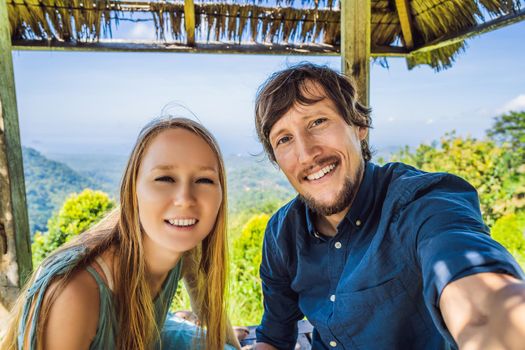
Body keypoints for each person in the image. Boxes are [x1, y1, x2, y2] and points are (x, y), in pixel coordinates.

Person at [253, 63, 525, 349]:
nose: (306, 154)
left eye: (318, 122)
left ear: (358, 125)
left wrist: (497, 322)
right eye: (284, 139)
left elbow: (477, 293)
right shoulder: (281, 233)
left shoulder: (419, 202)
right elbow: (274, 337)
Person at [1, 117, 241, 350]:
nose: (185, 199)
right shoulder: (75, 293)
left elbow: (210, 309)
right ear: (131, 191)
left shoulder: (187, 244)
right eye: (165, 178)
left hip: (148, 332)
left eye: (204, 180)